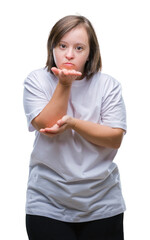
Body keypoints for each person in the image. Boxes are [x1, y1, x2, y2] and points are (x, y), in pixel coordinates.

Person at [23, 15, 127, 240]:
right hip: (47, 203)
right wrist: (64, 83)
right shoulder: (37, 81)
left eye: (79, 48)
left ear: (90, 52)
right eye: (62, 46)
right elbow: (45, 124)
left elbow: (114, 138)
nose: (69, 54)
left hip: (102, 203)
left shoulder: (107, 85)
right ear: (52, 47)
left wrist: (73, 123)